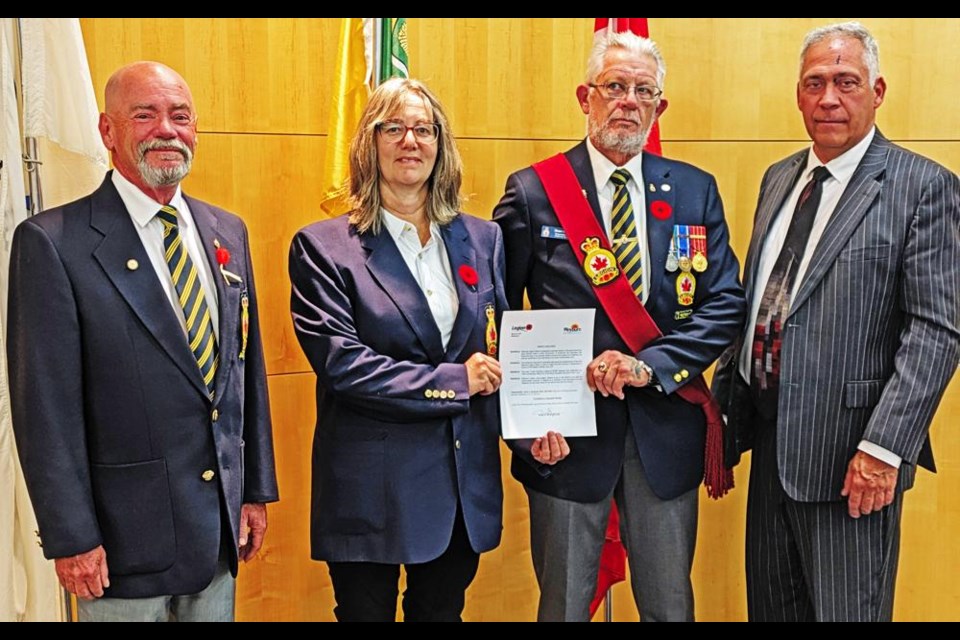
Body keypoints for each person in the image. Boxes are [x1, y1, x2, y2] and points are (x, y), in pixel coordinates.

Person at [6, 61, 278, 622]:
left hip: (216, 539)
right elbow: (45, 412)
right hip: (118, 548)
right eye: (145, 115)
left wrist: (253, 491)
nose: (166, 130)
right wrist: (70, 536)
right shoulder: (52, 244)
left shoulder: (228, 231)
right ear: (108, 131)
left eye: (180, 116)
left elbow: (244, 372)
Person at [493, 32, 745, 621]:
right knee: (563, 607)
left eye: (643, 91)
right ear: (586, 97)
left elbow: (725, 303)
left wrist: (648, 365)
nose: (627, 101)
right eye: (614, 87)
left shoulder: (693, 188)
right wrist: (523, 423)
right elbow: (495, 315)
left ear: (659, 107)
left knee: (668, 608)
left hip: (665, 433)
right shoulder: (533, 192)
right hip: (564, 439)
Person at [712, 22, 960, 622]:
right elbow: (766, 303)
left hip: (852, 461)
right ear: (798, 95)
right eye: (815, 83)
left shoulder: (921, 186)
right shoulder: (779, 179)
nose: (829, 98)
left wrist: (884, 450)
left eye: (846, 82)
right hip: (770, 446)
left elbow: (938, 330)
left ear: (877, 90)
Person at [289, 77, 506, 622]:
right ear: (370, 142)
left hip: (459, 491)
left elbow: (503, 348)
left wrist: (537, 428)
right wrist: (457, 380)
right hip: (372, 491)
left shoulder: (483, 240)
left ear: (441, 145)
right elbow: (345, 367)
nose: (411, 141)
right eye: (394, 128)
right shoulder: (324, 248)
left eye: (424, 130)